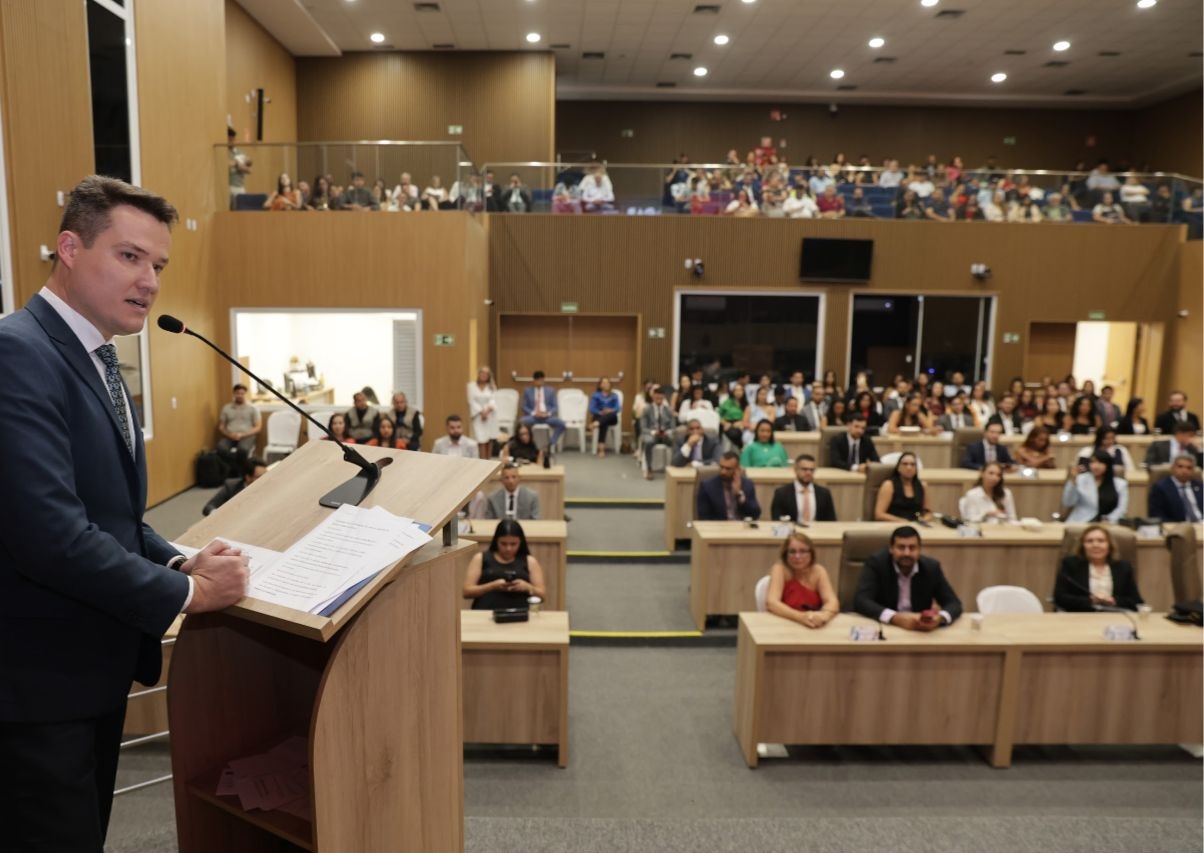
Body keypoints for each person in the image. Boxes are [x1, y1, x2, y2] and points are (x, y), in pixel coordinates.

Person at [0, 175, 249, 849]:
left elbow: (110, 512)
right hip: (38, 687)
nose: (150, 282)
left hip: (88, 674)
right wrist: (190, 594)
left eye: (159, 265)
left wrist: (177, 560)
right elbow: (50, 535)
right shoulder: (18, 352)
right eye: (130, 256)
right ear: (69, 249)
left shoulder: (98, 358)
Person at [854, 526, 963, 630]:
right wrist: (894, 617)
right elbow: (861, 600)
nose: (907, 553)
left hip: (919, 629)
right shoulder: (877, 564)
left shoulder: (931, 568)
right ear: (891, 549)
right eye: (901, 547)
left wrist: (940, 618)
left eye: (912, 548)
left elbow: (953, 603)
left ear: (919, 549)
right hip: (886, 626)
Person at [1053, 525, 1144, 612]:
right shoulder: (1071, 565)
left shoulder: (1123, 567)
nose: (1095, 545)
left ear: (1109, 545)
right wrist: (1091, 600)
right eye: (1089, 541)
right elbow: (1059, 598)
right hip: (1081, 616)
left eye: (1101, 541)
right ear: (1083, 546)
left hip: (1115, 616)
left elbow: (1136, 601)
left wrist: (1112, 600)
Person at [461, 519, 546, 611]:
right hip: (485, 612)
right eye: (503, 544)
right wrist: (492, 586)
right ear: (496, 541)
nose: (508, 548)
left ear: (520, 542)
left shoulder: (530, 561)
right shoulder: (480, 558)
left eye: (513, 544)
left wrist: (527, 587)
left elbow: (542, 595)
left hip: (520, 613)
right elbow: (466, 592)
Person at [765, 532, 839, 628]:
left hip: (814, 625)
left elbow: (832, 601)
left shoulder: (819, 571)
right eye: (792, 552)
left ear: (811, 553)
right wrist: (800, 617)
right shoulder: (780, 569)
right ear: (786, 554)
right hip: (786, 624)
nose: (797, 556)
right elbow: (771, 603)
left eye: (803, 551)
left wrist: (824, 616)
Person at [1062, 449, 1129, 523]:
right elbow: (1068, 503)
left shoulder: (1120, 484)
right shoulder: (1080, 479)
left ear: (1108, 464)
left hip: (1109, 524)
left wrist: (1109, 519)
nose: (1096, 466)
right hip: (1081, 522)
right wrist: (1073, 481)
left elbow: (1121, 509)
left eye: (1100, 462)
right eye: (1092, 462)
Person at [770, 454, 837, 523]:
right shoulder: (782, 493)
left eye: (811, 470)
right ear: (795, 470)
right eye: (804, 469)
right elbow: (777, 520)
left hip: (817, 529)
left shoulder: (824, 493)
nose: (808, 473)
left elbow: (831, 521)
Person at [696, 451, 761, 521]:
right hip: (718, 526)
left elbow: (755, 514)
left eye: (728, 469)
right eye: (721, 467)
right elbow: (703, 518)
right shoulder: (707, 487)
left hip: (741, 526)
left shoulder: (747, 484)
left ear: (737, 469)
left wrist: (739, 494)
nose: (723, 472)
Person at [875, 452, 932, 522]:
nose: (909, 467)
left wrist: (924, 520)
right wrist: (904, 522)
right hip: (893, 524)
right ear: (898, 468)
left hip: (916, 524)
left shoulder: (923, 485)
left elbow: (928, 512)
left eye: (913, 464)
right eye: (905, 464)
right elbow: (879, 515)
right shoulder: (889, 485)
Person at [203, 457, 268, 517]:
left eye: (266, 475)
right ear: (248, 477)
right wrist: (218, 515)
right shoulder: (231, 486)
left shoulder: (268, 487)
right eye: (260, 477)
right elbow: (208, 507)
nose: (265, 479)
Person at [1148, 454, 1204, 522]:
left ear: (1193, 471)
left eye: (1189, 468)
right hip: (1176, 525)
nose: (1184, 470)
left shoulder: (1200, 486)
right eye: (1180, 467)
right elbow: (1156, 514)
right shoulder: (1161, 488)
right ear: (1172, 468)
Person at [520, 370, 565, 449]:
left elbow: (555, 407)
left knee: (561, 424)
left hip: (547, 417)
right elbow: (524, 406)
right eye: (538, 380)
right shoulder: (528, 391)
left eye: (541, 380)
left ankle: (551, 443)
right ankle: (527, 443)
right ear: (534, 381)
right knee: (521, 422)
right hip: (533, 417)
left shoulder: (550, 391)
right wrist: (534, 413)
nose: (540, 382)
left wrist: (548, 413)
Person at [217, 382, 262, 458]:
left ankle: (236, 465)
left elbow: (258, 427)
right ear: (234, 394)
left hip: (246, 437)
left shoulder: (253, 408)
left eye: (242, 393)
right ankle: (230, 465)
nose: (240, 395)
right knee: (221, 448)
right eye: (237, 393)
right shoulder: (226, 408)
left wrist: (242, 435)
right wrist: (230, 435)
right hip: (230, 436)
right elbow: (221, 426)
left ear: (245, 394)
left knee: (242, 450)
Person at [639, 386, 675, 479]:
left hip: (665, 435)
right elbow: (643, 428)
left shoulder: (668, 410)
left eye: (661, 397)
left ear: (664, 397)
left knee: (675, 442)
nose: (659, 399)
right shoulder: (647, 409)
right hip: (652, 434)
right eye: (657, 397)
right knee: (648, 442)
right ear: (653, 397)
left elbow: (673, 427)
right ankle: (649, 468)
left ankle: (673, 467)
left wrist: (667, 432)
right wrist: (654, 432)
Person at [467, 366, 498, 459]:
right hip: (477, 416)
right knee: (480, 439)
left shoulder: (492, 387)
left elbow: (493, 400)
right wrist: (481, 412)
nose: (484, 375)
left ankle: (488, 460)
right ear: (478, 374)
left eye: (486, 374)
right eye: (482, 373)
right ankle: (482, 459)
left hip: (490, 415)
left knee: (489, 439)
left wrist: (487, 411)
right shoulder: (471, 386)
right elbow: (471, 401)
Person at [589, 376, 621, 457]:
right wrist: (600, 412)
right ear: (600, 385)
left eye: (608, 382)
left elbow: (618, 408)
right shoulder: (596, 395)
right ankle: (601, 449)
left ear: (610, 384)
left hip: (611, 417)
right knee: (603, 423)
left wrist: (610, 410)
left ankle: (596, 423)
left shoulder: (614, 395)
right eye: (604, 383)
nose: (606, 384)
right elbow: (592, 408)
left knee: (610, 415)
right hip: (599, 415)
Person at [717, 383, 750, 449]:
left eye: (740, 390)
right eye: (736, 390)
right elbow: (718, 415)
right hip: (727, 423)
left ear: (743, 392)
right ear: (733, 392)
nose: (738, 392)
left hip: (741, 423)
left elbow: (748, 417)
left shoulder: (746, 404)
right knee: (734, 434)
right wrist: (725, 423)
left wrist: (741, 423)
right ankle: (742, 447)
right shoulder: (727, 402)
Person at [227, 126, 252, 207]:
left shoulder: (240, 153)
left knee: (241, 208)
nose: (231, 141)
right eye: (229, 139)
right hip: (228, 186)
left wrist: (241, 167)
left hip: (240, 186)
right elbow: (226, 165)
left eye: (232, 139)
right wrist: (236, 163)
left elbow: (249, 170)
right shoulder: (224, 151)